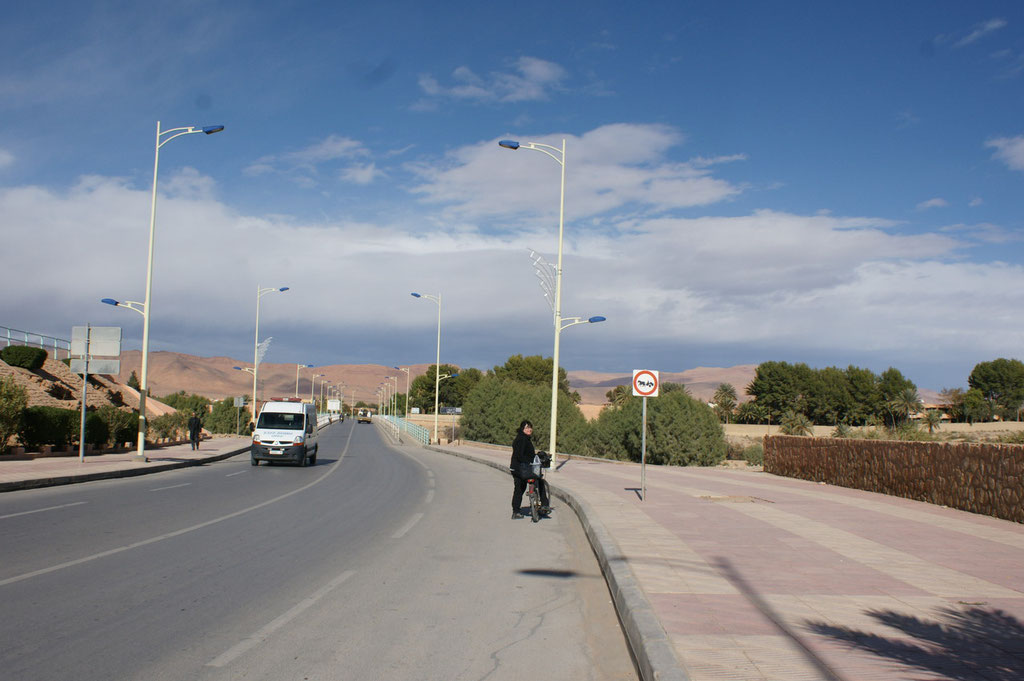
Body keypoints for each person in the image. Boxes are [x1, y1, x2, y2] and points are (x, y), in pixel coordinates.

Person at [509, 420, 550, 519]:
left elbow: (525, 454)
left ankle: (516, 512)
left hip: (515, 468)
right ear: (522, 429)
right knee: (539, 481)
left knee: (519, 489)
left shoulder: (520, 438)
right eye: (527, 427)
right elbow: (521, 455)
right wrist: (530, 462)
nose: (529, 429)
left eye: (530, 427)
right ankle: (544, 504)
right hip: (522, 468)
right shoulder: (523, 439)